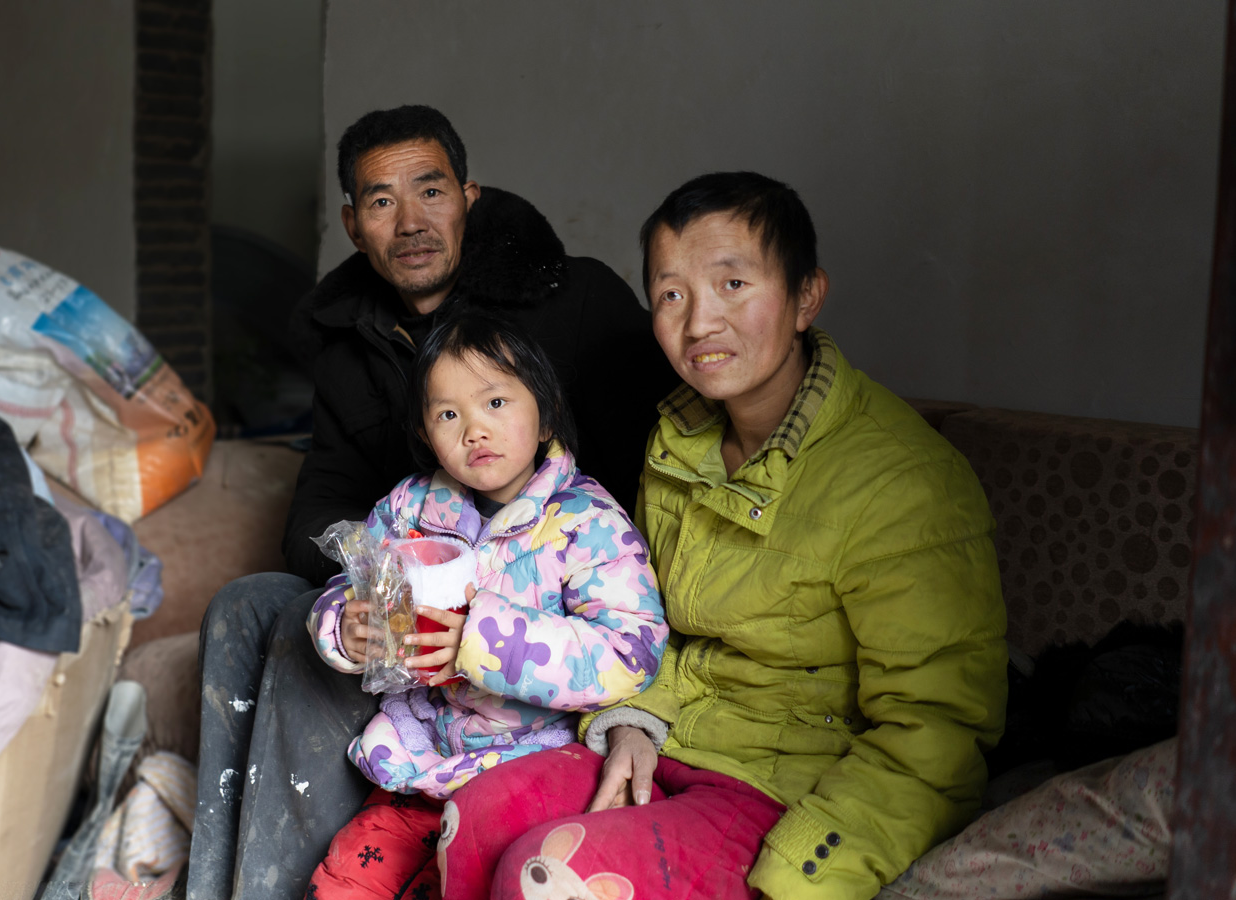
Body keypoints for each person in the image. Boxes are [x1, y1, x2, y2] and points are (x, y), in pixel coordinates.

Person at [434, 172, 1008, 900]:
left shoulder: (904, 481)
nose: (700, 321)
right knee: (471, 824)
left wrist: (802, 873)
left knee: (548, 875)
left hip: (792, 780)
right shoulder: (676, 441)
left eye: (733, 284)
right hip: (672, 738)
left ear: (806, 296)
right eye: (672, 294)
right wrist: (632, 722)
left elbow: (938, 733)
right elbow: (647, 627)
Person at [188, 106, 671, 900]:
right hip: (411, 614)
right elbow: (321, 509)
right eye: (382, 202)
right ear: (353, 223)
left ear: (468, 197)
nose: (410, 221)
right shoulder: (345, 343)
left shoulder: (573, 302)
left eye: (430, 191)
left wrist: (498, 609)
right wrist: (375, 592)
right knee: (250, 606)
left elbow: (654, 497)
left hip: (544, 618)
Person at [304, 313, 669, 898]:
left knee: (465, 879)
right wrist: (344, 628)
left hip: (529, 768)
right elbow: (347, 586)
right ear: (425, 432)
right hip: (421, 754)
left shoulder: (587, 522)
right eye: (448, 414)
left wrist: (480, 641)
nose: (474, 429)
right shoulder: (409, 508)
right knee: (349, 877)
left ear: (546, 415)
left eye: (496, 402)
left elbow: (632, 651)